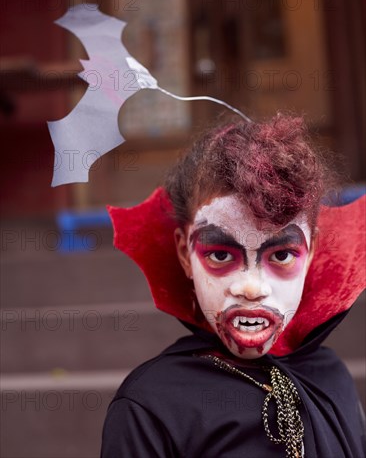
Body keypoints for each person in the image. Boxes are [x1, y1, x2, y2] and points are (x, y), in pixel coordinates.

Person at [101, 113, 365, 458]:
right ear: (185, 253)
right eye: (221, 256)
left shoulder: (330, 377)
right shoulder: (151, 406)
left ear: (311, 251)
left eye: (282, 255)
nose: (252, 288)